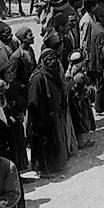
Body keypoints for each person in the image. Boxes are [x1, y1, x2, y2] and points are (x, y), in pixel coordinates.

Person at [27, 47, 68, 177]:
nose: (53, 62)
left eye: (54, 59)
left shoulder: (53, 74)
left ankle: (55, 165)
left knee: (55, 141)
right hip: (43, 118)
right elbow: (33, 102)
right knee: (44, 145)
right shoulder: (38, 78)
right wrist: (41, 119)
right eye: (49, 60)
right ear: (43, 61)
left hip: (54, 115)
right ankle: (44, 170)